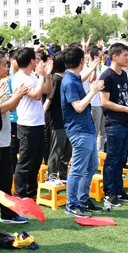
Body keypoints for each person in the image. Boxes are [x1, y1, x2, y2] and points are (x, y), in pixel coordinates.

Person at [0, 52, 30, 224]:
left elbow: (10, 108)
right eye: (5, 65)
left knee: (5, 178)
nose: (7, 68)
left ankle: (7, 213)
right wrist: (17, 96)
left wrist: (18, 95)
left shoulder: (1, 84)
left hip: (4, 139)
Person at [99, 43, 128, 207]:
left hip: (127, 121)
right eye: (125, 55)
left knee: (121, 158)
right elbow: (104, 102)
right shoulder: (106, 76)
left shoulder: (124, 75)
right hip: (114, 122)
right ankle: (109, 192)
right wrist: (127, 109)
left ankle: (119, 190)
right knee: (112, 158)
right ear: (114, 56)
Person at [60, 46, 104, 218]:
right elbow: (78, 107)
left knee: (91, 166)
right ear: (80, 61)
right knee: (78, 169)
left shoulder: (74, 77)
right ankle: (71, 203)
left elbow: (83, 78)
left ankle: (83, 199)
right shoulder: (69, 81)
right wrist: (93, 92)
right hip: (79, 130)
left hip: (86, 128)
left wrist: (92, 68)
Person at [12, 47, 53, 200]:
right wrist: (41, 76)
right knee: (25, 161)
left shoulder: (32, 76)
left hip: (38, 123)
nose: (38, 61)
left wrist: (47, 76)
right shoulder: (20, 78)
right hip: (27, 125)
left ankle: (31, 194)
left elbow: (48, 90)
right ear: (31, 61)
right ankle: (19, 194)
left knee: (36, 161)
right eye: (35, 58)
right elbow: (36, 95)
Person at [44, 51, 72, 181]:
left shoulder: (65, 79)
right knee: (57, 149)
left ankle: (63, 174)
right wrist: (42, 114)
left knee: (67, 150)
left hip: (68, 121)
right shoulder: (56, 79)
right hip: (57, 120)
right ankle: (52, 175)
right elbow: (49, 99)